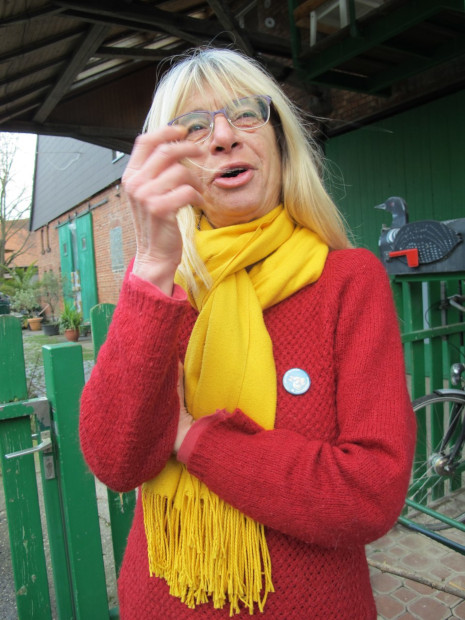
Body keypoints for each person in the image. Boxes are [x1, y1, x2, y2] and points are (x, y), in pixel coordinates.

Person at [79, 47, 416, 619]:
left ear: (279, 141)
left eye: (244, 114)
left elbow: (370, 492)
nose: (222, 137)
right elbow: (116, 462)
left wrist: (194, 440)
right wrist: (152, 267)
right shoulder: (161, 289)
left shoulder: (348, 280)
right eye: (193, 127)